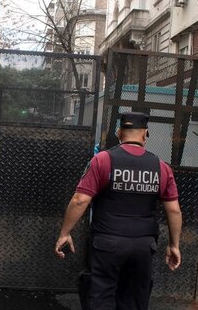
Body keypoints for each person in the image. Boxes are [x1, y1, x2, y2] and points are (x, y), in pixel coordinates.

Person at [54, 112, 182, 310]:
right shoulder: (161, 167)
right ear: (145, 134)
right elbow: (173, 210)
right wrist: (174, 245)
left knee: (100, 297)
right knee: (134, 299)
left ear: (119, 133)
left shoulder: (102, 160)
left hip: (107, 243)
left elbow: (80, 200)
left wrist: (64, 233)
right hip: (143, 245)